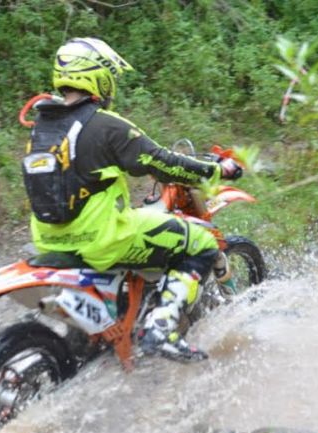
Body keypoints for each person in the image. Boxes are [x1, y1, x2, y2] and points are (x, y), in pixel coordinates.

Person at [22, 37, 242, 362]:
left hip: (49, 239)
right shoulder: (104, 124)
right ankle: (161, 328)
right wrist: (216, 169)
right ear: (97, 76)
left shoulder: (42, 125)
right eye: (110, 76)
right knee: (202, 243)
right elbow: (163, 162)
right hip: (103, 239)